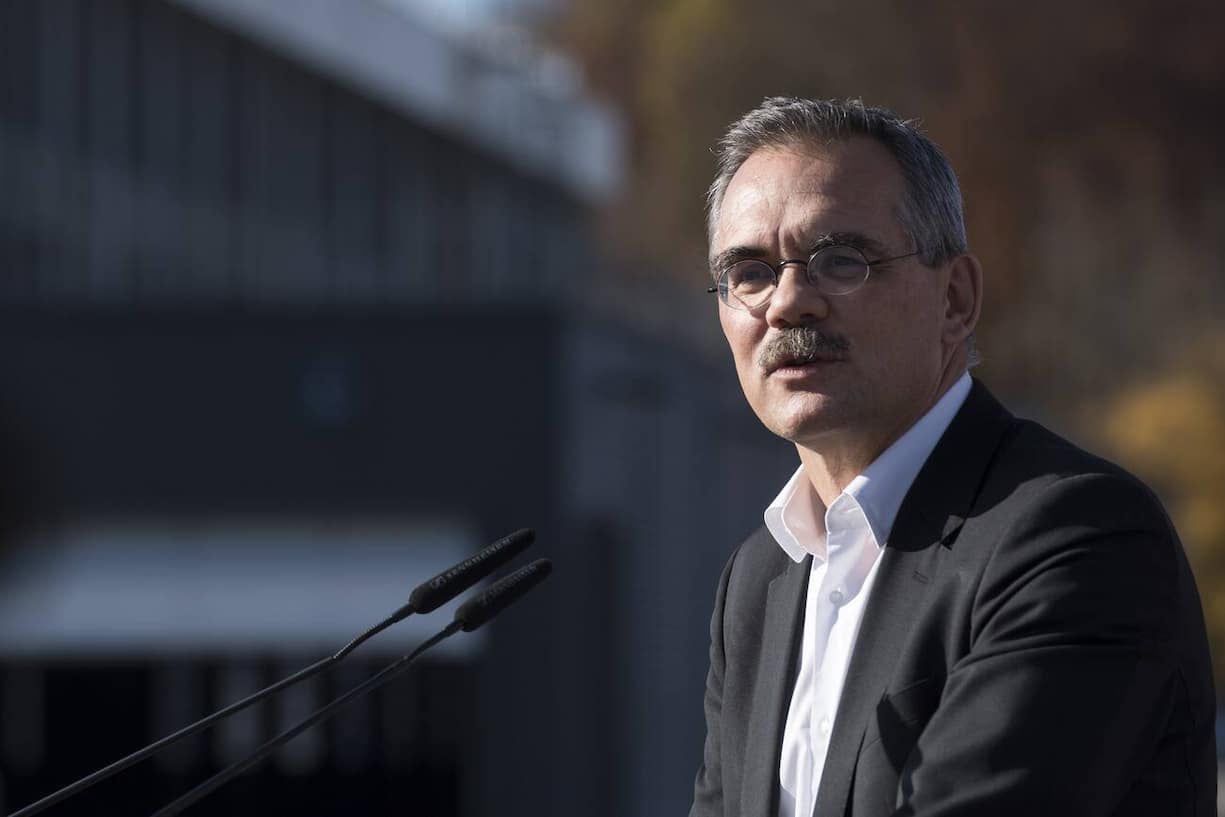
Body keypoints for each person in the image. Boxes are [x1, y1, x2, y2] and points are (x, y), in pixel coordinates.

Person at [690, 97, 1216, 817]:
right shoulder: (758, 579)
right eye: (748, 273)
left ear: (955, 299)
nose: (787, 303)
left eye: (840, 261)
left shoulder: (1076, 535)